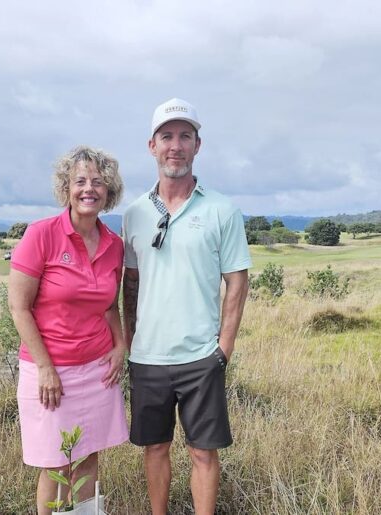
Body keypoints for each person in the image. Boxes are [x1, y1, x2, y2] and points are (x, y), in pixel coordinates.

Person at [122, 98, 252, 514]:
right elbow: (131, 283)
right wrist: (129, 341)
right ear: (151, 146)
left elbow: (237, 279)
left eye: (184, 136)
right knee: (155, 447)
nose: (174, 145)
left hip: (201, 356)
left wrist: (224, 347)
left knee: (203, 453)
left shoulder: (222, 210)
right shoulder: (135, 214)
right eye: (166, 136)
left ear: (198, 145)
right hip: (148, 357)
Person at [9, 145, 129, 514]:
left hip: (96, 372)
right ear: (67, 188)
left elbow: (109, 305)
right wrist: (45, 367)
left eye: (98, 182)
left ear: (109, 191)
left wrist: (121, 345)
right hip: (50, 373)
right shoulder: (41, 234)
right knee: (56, 464)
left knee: (89, 458)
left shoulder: (114, 245)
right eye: (80, 181)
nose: (88, 189)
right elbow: (19, 306)